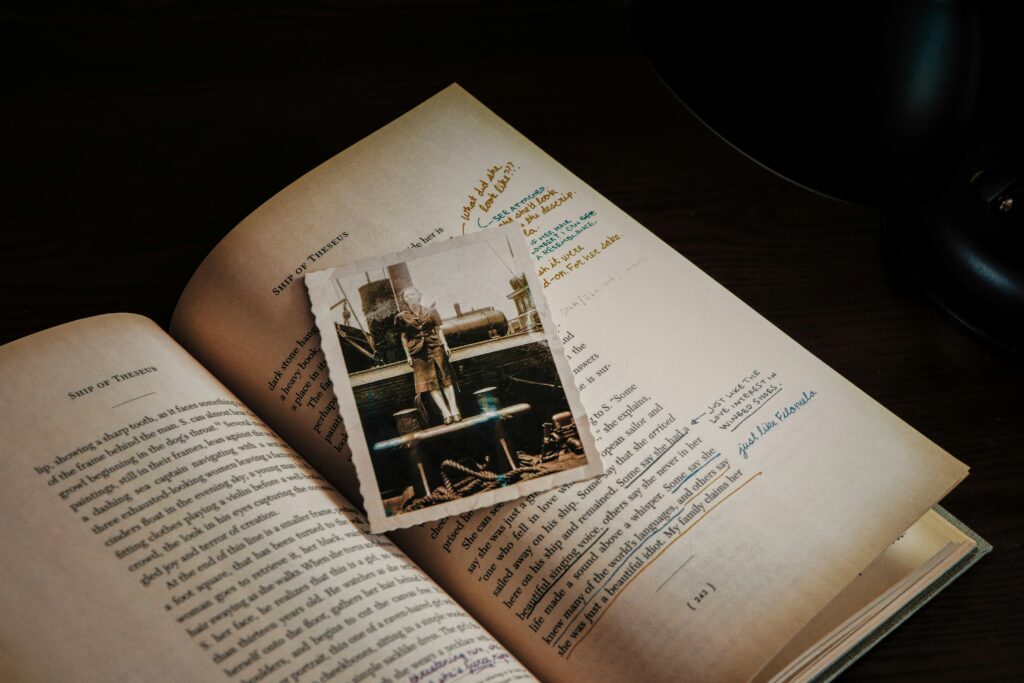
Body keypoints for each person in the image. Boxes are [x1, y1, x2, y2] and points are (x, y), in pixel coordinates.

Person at [396, 287, 460, 424]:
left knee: (446, 379)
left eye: (412, 294)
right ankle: (446, 413)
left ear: (418, 296)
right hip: (418, 353)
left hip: (435, 346)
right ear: (404, 300)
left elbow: (438, 329)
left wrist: (445, 345)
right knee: (431, 384)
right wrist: (408, 355)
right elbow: (403, 337)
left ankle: (455, 410)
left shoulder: (431, 312)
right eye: (407, 296)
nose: (410, 297)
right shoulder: (401, 317)